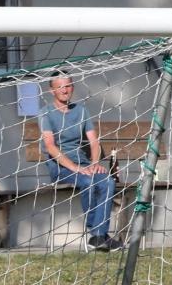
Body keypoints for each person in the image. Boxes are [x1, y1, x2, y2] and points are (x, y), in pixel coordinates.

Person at [40, 73, 120, 252]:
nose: (64, 90)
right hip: (61, 168)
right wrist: (75, 168)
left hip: (83, 165)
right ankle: (98, 234)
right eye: (60, 86)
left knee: (107, 180)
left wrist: (94, 163)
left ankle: (98, 237)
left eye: (68, 85)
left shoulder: (81, 110)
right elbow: (50, 147)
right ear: (52, 90)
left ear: (72, 87)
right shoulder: (46, 113)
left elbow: (93, 141)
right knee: (88, 181)